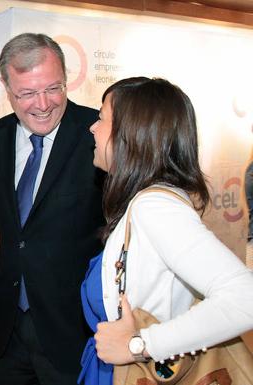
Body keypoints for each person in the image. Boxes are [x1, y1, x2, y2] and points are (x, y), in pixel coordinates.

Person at [79, 76, 253, 384]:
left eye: (102, 118)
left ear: (131, 135)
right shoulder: (144, 204)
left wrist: (139, 345)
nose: (92, 128)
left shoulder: (155, 207)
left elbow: (244, 298)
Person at [0, 33, 104, 385]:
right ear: (6, 87)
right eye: (26, 93)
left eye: (53, 88)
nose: (42, 104)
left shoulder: (97, 134)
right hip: (7, 328)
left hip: (73, 327)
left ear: (66, 79)